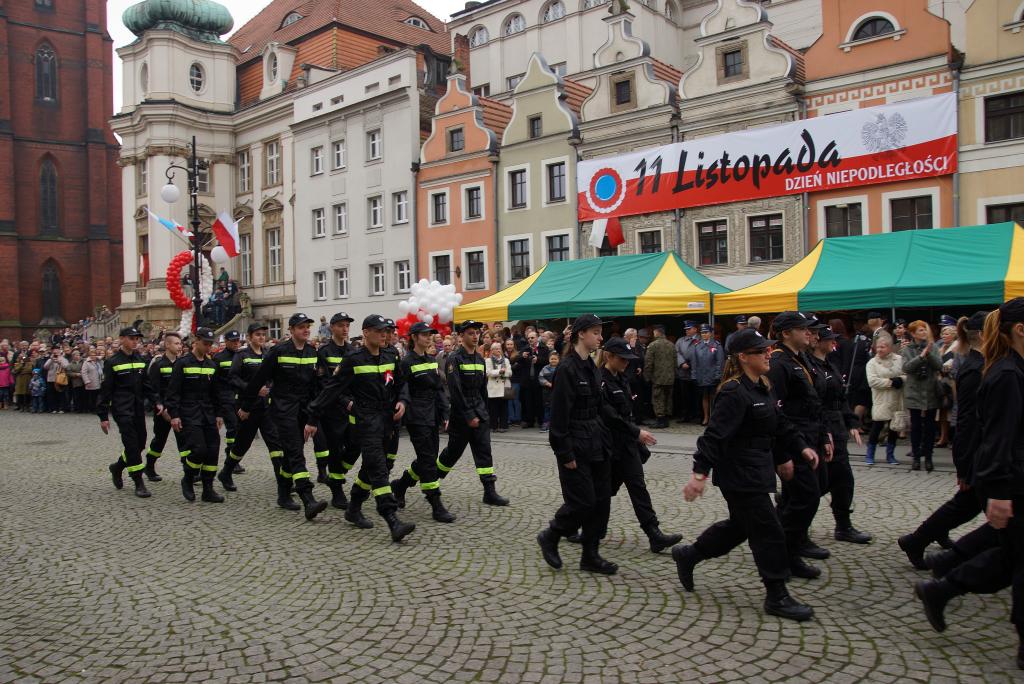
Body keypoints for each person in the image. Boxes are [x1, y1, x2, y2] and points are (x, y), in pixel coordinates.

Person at [672, 327, 818, 621]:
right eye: (760, 351)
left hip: (757, 469)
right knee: (769, 530)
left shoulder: (763, 385)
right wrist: (699, 474)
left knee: (740, 527)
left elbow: (779, 424)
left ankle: (690, 554)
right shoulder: (733, 392)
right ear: (743, 357)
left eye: (767, 349)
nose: (768, 354)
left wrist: (797, 449)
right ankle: (777, 594)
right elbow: (713, 437)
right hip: (738, 474)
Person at [913, 299, 1024, 670]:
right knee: (1013, 561)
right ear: (1019, 329)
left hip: (1013, 479)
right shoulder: (1006, 373)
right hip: (1014, 482)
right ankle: (942, 582)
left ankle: (942, 584)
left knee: (1009, 559)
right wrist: (999, 493)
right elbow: (998, 436)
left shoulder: (1013, 368)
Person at [307, 314, 416, 541]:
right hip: (366, 421)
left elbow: (401, 382)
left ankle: (354, 508)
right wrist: (312, 417)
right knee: (378, 469)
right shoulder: (354, 359)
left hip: (387, 421)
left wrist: (403, 401)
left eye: (387, 331)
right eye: (379, 331)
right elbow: (331, 389)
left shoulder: (391, 354)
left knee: (369, 467)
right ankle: (391, 518)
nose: (384, 335)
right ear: (366, 332)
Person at [899, 312, 990, 569]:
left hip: (981, 451)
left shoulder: (982, 363)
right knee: (977, 508)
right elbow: (967, 421)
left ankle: (920, 539)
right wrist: (963, 463)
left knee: (966, 505)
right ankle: (936, 553)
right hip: (977, 451)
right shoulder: (975, 369)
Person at [537, 314, 618, 575]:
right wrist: (565, 452)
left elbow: (599, 406)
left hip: (597, 442)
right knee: (583, 502)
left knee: (601, 501)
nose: (600, 336)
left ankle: (590, 556)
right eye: (595, 332)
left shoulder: (592, 367)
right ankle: (552, 534)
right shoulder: (567, 368)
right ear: (581, 334)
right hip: (576, 445)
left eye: (600, 332)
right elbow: (558, 417)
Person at [239, 313, 329, 519]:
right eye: (301, 327)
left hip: (303, 409)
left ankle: (283, 494)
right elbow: (258, 380)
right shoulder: (278, 351)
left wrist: (314, 415)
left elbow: (317, 387)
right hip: (282, 409)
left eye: (308, 327)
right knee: (296, 452)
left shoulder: (312, 352)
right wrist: (246, 406)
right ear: (291, 330)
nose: (305, 330)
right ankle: (308, 498)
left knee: (290, 454)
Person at [597, 337, 681, 552]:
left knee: (638, 487)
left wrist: (635, 434)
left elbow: (627, 413)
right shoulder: (601, 381)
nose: (627, 362)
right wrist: (637, 432)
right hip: (609, 446)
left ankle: (654, 534)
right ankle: (574, 524)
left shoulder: (622, 378)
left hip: (627, 446)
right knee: (601, 492)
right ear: (609, 357)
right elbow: (610, 416)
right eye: (622, 359)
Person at [768, 311, 830, 578]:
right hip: (793, 440)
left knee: (807, 493)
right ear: (786, 334)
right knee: (806, 497)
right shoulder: (780, 363)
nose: (809, 333)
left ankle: (783, 544)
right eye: (802, 328)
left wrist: (824, 435)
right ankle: (786, 553)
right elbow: (775, 412)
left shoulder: (801, 357)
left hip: (810, 435)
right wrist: (782, 455)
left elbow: (814, 399)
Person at [435, 320, 510, 506]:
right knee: (452, 454)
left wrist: (484, 413)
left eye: (477, 333)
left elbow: (482, 389)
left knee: (485, 452)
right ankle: (432, 482)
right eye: (470, 333)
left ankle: (489, 492)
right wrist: (469, 415)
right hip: (462, 417)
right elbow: (456, 391)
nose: (475, 336)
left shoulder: (479, 359)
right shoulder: (454, 359)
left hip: (480, 413)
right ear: (461, 337)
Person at [810, 325, 872, 544]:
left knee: (843, 479)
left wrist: (852, 421)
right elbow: (815, 403)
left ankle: (843, 526)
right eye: (829, 339)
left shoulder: (830, 365)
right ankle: (790, 514)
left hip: (837, 429)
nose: (833, 342)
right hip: (822, 429)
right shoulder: (811, 367)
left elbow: (840, 398)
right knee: (818, 482)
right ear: (817, 342)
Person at [390, 321, 455, 523]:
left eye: (430, 335)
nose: (429, 338)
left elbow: (438, 389)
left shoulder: (431, 359)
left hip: (432, 413)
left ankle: (400, 485)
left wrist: (445, 413)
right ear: (414, 337)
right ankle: (436, 504)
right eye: (425, 334)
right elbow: (403, 390)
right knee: (427, 459)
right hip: (416, 416)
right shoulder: (406, 362)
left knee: (429, 456)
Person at [217, 323, 285, 500]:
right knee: (242, 444)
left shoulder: (268, 354)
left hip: (266, 407)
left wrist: (271, 388)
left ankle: (283, 482)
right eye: (257, 335)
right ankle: (226, 471)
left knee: (275, 443)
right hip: (247, 406)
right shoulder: (242, 355)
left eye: (263, 335)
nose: (261, 338)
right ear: (249, 337)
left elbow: (273, 377)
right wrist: (253, 390)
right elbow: (233, 378)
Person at [165, 328, 226, 503]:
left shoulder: (211, 365)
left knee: (213, 451)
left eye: (210, 344)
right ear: (196, 341)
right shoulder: (182, 363)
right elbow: (173, 392)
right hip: (189, 414)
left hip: (208, 414)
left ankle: (208, 489)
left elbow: (216, 393)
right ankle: (188, 478)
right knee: (199, 450)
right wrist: (174, 415)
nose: (208, 347)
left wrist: (219, 414)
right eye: (205, 343)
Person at [97, 326, 156, 499]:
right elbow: (105, 390)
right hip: (121, 408)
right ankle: (138, 482)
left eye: (137, 338)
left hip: (138, 407)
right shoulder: (112, 362)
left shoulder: (141, 359)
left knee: (140, 444)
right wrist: (103, 416)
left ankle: (117, 467)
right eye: (131, 338)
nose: (135, 341)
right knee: (131, 444)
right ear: (122, 339)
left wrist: (157, 403)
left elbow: (147, 385)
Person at [313, 312, 355, 499]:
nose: (345, 329)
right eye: (341, 326)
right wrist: (344, 401)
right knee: (335, 449)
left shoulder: (353, 350)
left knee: (355, 445)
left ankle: (335, 477)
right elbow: (325, 384)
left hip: (352, 407)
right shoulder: (324, 351)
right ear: (332, 328)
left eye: (347, 326)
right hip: (332, 408)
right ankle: (337, 490)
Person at [901, 320, 943, 472]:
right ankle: (916, 457)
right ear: (913, 333)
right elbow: (906, 368)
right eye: (920, 330)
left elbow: (939, 365)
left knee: (931, 426)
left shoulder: (934, 347)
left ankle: (929, 457)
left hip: (931, 390)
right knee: (916, 426)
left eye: (925, 330)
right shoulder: (907, 349)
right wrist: (921, 357)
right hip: (914, 391)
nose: (924, 333)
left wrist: (929, 353)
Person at [144, 331, 183, 482]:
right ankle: (150, 466)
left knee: (184, 440)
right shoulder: (158, 365)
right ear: (167, 345)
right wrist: (160, 406)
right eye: (176, 343)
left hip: (178, 409)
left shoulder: (183, 363)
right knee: (160, 440)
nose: (179, 346)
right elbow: (154, 389)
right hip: (163, 411)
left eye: (180, 343)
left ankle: (189, 470)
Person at [865, 332, 905, 465]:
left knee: (894, 428)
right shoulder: (872, 363)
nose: (880, 349)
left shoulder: (899, 359)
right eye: (878, 347)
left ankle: (890, 455)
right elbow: (872, 381)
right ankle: (870, 454)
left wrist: (901, 380)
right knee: (877, 427)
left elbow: (906, 375)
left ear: (890, 347)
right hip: (881, 400)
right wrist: (891, 382)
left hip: (897, 400)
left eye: (883, 347)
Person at [213, 330, 243, 473]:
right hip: (225, 397)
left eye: (238, 340)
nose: (236, 343)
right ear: (226, 341)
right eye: (233, 341)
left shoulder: (242, 355)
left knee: (240, 429)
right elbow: (215, 382)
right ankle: (231, 458)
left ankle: (234, 458)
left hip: (239, 397)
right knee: (233, 428)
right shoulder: (218, 358)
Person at [692, 324, 724, 426]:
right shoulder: (697, 346)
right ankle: (706, 417)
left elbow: (720, 362)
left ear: (710, 333)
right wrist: (694, 375)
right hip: (702, 376)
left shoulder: (716, 345)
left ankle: (714, 417)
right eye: (702, 333)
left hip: (713, 375)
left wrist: (718, 375)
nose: (704, 334)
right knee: (704, 397)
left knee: (714, 397)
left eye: (706, 332)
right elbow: (694, 362)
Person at [645, 325, 676, 429]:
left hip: (657, 377)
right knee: (668, 398)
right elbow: (675, 362)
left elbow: (649, 363)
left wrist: (647, 376)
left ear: (657, 333)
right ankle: (666, 419)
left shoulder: (653, 345)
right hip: (670, 377)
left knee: (658, 398)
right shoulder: (671, 345)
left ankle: (660, 420)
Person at [675, 321, 700, 423]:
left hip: (697, 372)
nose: (687, 331)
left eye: (689, 329)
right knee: (685, 396)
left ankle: (698, 415)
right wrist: (681, 363)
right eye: (686, 329)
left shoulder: (701, 339)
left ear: (695, 329)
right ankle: (686, 415)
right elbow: (676, 352)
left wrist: (693, 363)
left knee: (697, 396)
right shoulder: (680, 341)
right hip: (684, 373)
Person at [485, 341, 512, 433]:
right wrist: (499, 371)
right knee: (493, 409)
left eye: (499, 348)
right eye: (496, 349)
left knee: (504, 408)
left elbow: (510, 373)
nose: (498, 350)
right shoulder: (488, 361)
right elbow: (488, 373)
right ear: (492, 351)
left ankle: (503, 426)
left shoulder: (506, 360)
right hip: (493, 388)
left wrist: (503, 373)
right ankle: (494, 426)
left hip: (504, 386)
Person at [538, 352, 559, 432]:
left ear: (558, 360)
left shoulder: (560, 368)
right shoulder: (545, 368)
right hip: (547, 391)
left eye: (555, 359)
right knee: (547, 407)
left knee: (556, 407)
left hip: (557, 391)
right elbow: (540, 377)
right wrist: (547, 383)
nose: (553, 360)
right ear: (549, 359)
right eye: (552, 359)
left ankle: (555, 424)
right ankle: (546, 423)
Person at [505, 338, 524, 426]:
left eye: (511, 344)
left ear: (514, 345)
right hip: (506, 380)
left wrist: (509, 367)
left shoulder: (518, 354)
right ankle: (510, 418)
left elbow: (517, 367)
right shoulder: (503, 355)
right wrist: (512, 366)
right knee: (508, 400)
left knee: (516, 400)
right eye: (508, 344)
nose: (509, 346)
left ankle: (517, 419)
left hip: (516, 380)